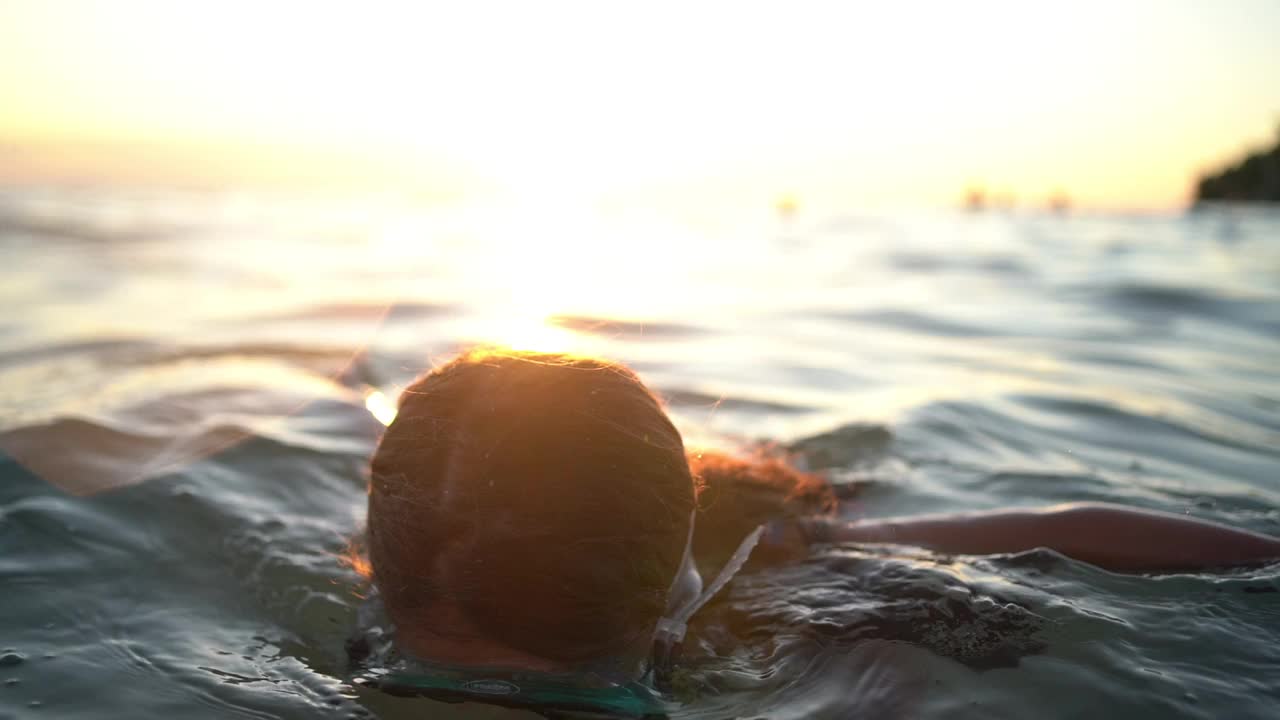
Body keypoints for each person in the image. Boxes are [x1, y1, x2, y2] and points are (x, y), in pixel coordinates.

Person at [355, 347, 1280, 714]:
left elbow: (1063, 528)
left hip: (782, 520)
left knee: (816, 511)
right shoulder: (421, 549)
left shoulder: (774, 578)